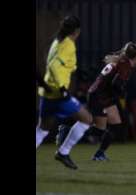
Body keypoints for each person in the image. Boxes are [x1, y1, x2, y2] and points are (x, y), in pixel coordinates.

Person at [55, 42, 136, 168]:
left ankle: (99, 154)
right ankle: (66, 131)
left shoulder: (121, 60)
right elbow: (116, 84)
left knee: (115, 125)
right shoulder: (125, 66)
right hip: (100, 97)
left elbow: (110, 77)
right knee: (99, 129)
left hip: (103, 95)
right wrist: (122, 94)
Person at [35, 16, 93, 169]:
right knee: (86, 119)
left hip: (47, 92)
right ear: (77, 31)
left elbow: (59, 63)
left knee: (42, 130)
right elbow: (54, 66)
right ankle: (63, 152)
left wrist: (77, 70)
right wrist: (62, 89)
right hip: (58, 93)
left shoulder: (57, 41)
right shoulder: (68, 44)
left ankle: (63, 152)